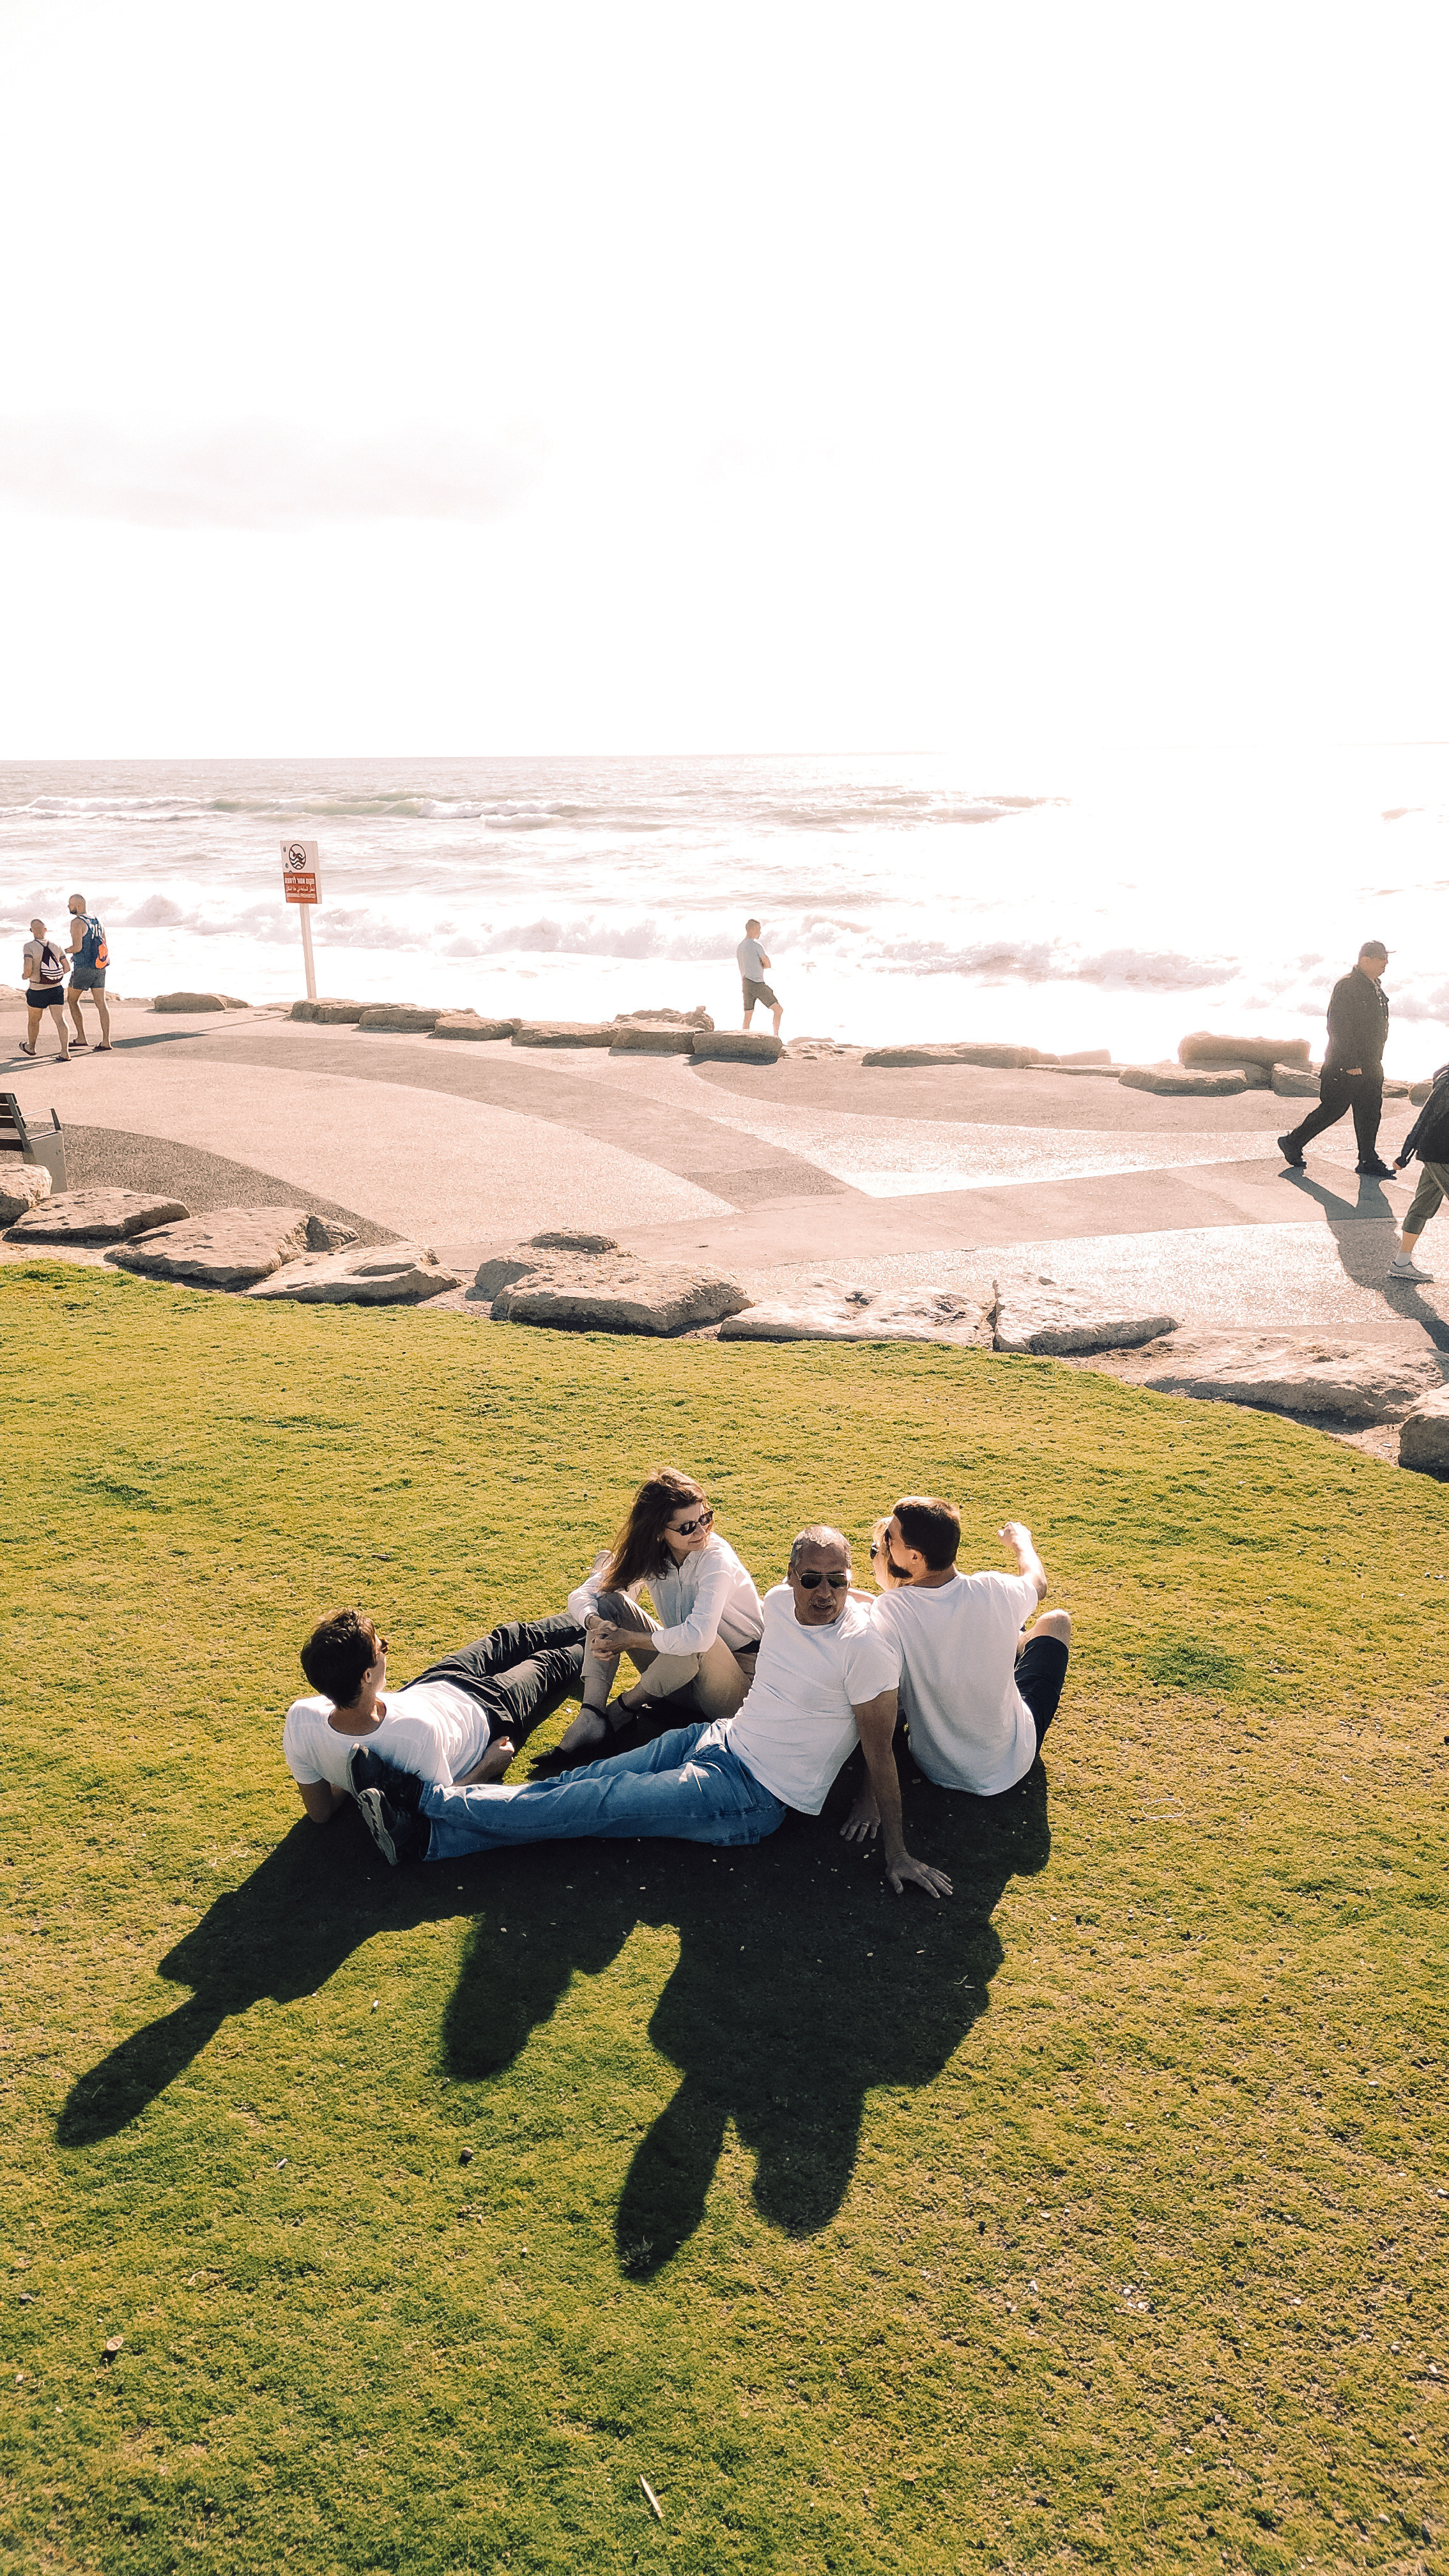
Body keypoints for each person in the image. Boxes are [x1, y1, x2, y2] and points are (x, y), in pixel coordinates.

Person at [349, 1526, 953, 1900]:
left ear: (850, 1580)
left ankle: (424, 1802)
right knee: (578, 1785)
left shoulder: (865, 1648)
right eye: (813, 1580)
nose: (826, 1594)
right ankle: (428, 1840)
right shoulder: (777, 1603)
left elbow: (882, 1748)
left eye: (839, 1582)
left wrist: (896, 1849)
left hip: (752, 1797)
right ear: (790, 1576)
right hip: (716, 1738)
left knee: (596, 1806)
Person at [843, 1498, 1070, 1832]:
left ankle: (1015, 1637)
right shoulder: (997, 1589)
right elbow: (1038, 1582)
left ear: (915, 1557)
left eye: (889, 1540)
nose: (884, 1546)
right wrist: (1022, 1541)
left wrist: (869, 1798)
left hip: (937, 1768)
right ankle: (1015, 1638)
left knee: (1039, 1626)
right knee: (1056, 1622)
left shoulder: (890, 1611)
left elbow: (884, 1707)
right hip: (1012, 1762)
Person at [283, 1606, 585, 1823]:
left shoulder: (301, 1719)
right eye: (382, 1649)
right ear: (366, 1676)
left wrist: (349, 1779)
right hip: (488, 1710)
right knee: (552, 1663)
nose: (386, 1652)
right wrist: (488, 1766)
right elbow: (442, 1804)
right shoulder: (413, 1733)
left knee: (511, 1636)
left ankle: (594, 1611)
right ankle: (611, 1627)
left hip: (432, 1684)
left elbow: (320, 1813)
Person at [548, 1468, 763, 1761]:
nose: (701, 1532)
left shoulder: (716, 1557)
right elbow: (582, 1596)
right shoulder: (651, 1555)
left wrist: (630, 1640)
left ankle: (623, 1709)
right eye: (687, 1527)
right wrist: (595, 1623)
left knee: (698, 1639)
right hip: (678, 1677)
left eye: (705, 1519)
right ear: (659, 1532)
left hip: (734, 1688)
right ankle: (592, 1715)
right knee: (611, 1603)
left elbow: (698, 1637)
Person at [1276, 942, 1394, 1177]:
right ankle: (1293, 1142)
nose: (1386, 964)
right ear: (1365, 960)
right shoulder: (1348, 986)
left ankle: (1368, 1159)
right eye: (1382, 959)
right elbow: (1338, 1027)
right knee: (1333, 1109)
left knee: (1370, 1111)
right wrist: (1351, 1064)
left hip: (1371, 1062)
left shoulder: (1375, 986)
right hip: (1346, 1064)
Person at [1388, 1059, 1449, 1283]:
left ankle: (1401, 1263)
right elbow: (1427, 1116)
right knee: (1421, 1208)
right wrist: (1404, 1155)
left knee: (1422, 1207)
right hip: (1443, 1154)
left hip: (1437, 1155)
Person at [65, 893, 112, 1051]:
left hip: (83, 967)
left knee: (72, 1000)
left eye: (70, 904)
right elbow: (104, 943)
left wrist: (63, 951)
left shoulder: (77, 922)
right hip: (100, 967)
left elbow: (77, 947)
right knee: (101, 1004)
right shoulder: (98, 920)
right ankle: (106, 1041)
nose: (68, 907)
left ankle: (81, 1037)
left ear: (77, 906)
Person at [19, 919, 70, 1061]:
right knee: (60, 1020)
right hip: (56, 989)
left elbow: (28, 968)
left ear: (31, 931)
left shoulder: (29, 947)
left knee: (34, 1020)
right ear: (45, 930)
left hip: (37, 990)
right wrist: (53, 978)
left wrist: (25, 975)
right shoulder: (56, 946)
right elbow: (67, 968)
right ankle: (65, 1052)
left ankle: (31, 1047)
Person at [737, 918, 783, 1038]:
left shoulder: (740, 947)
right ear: (752, 930)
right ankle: (776, 1037)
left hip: (746, 983)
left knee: (748, 1016)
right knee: (778, 1010)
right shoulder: (756, 946)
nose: (760, 932)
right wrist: (763, 965)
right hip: (757, 983)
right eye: (758, 930)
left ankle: (744, 1040)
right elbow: (767, 963)